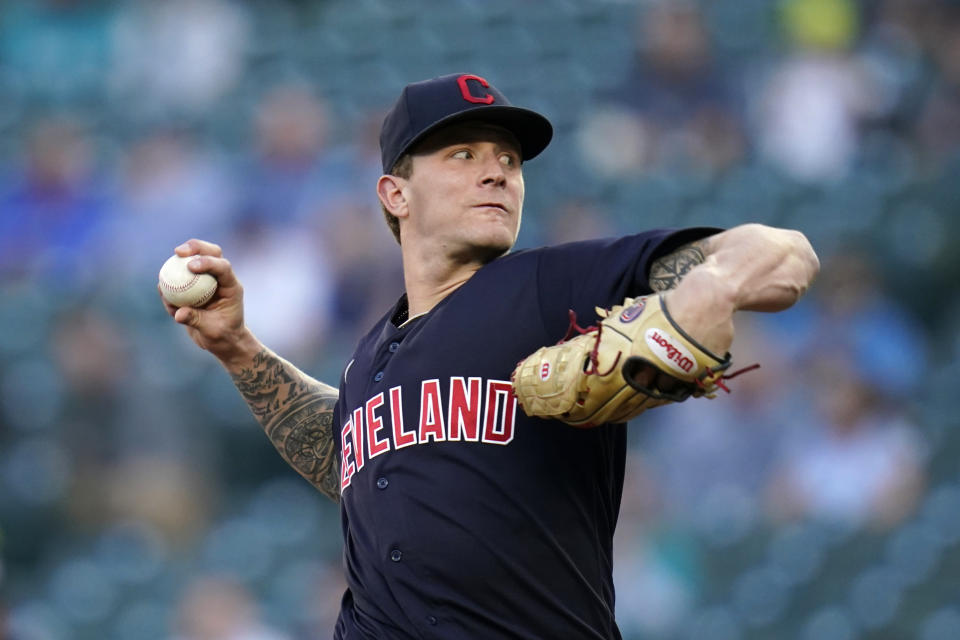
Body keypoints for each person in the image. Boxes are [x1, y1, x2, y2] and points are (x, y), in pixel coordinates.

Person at [162, 73, 819, 639]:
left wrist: (709, 291)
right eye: (464, 153)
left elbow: (785, 253)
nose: (496, 171)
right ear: (395, 194)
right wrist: (237, 348)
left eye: (509, 158)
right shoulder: (368, 359)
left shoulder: (549, 289)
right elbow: (343, 460)